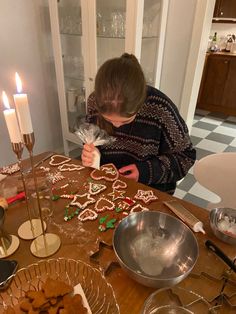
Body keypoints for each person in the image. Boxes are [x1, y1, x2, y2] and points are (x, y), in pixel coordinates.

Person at [81, 53, 196, 194]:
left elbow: (185, 157)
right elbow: (91, 139)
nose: (116, 126)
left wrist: (145, 171)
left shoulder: (161, 108)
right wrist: (92, 153)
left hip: (149, 191)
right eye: (109, 120)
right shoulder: (94, 101)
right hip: (107, 186)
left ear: (141, 103)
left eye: (126, 121)